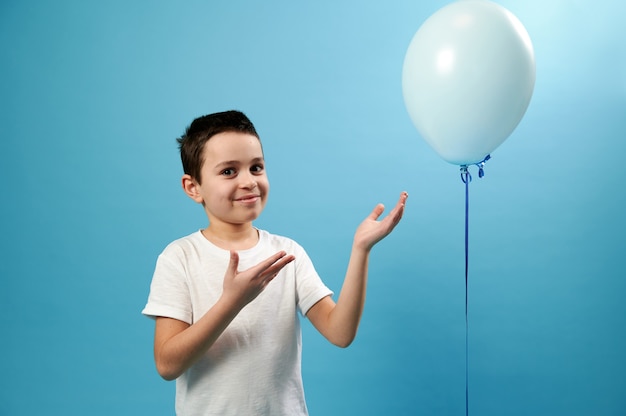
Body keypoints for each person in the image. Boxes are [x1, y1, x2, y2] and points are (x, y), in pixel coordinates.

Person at [142, 110, 408, 415]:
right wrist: (232, 301)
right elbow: (167, 363)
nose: (248, 182)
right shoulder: (180, 258)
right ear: (193, 187)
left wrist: (361, 249)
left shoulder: (287, 253)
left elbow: (340, 332)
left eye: (256, 167)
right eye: (229, 171)